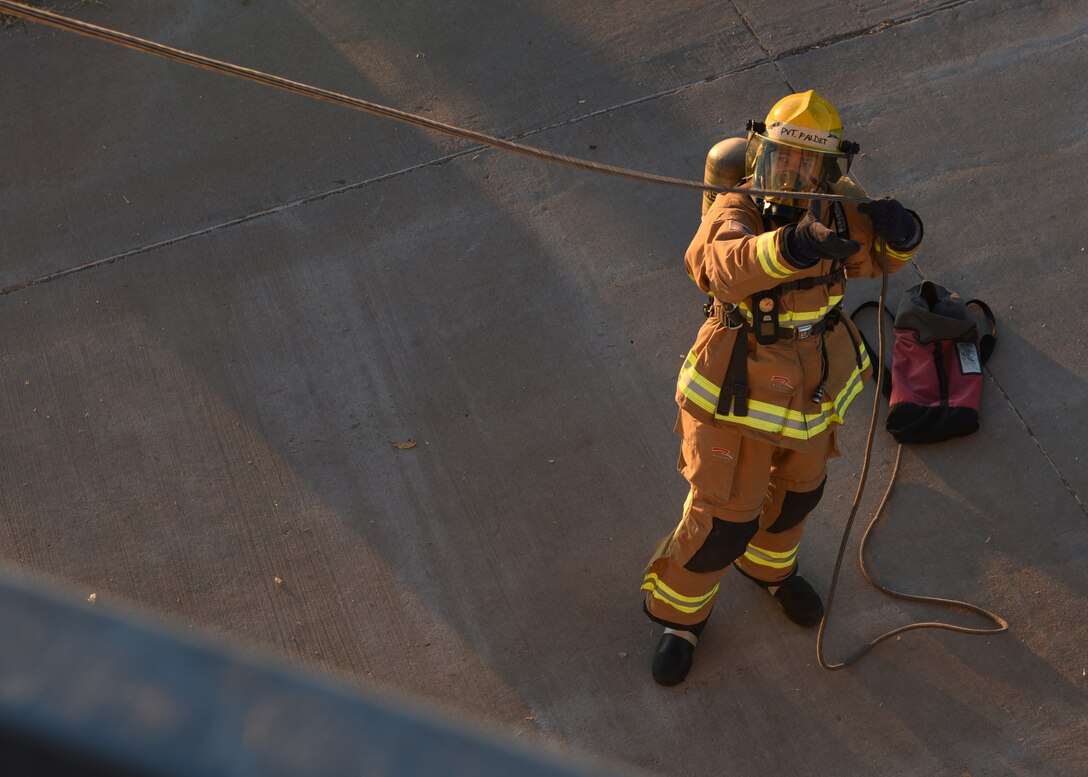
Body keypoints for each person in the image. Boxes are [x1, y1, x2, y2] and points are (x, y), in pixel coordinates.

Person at [641, 90, 923, 686]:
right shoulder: (736, 208)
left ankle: (769, 571)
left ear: (826, 170)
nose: (792, 174)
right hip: (736, 392)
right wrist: (791, 245)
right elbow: (715, 265)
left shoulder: (838, 211)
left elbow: (881, 257)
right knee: (724, 518)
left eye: (806, 164)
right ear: (760, 155)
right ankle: (677, 617)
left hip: (810, 391)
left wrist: (904, 233)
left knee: (798, 494)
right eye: (781, 158)